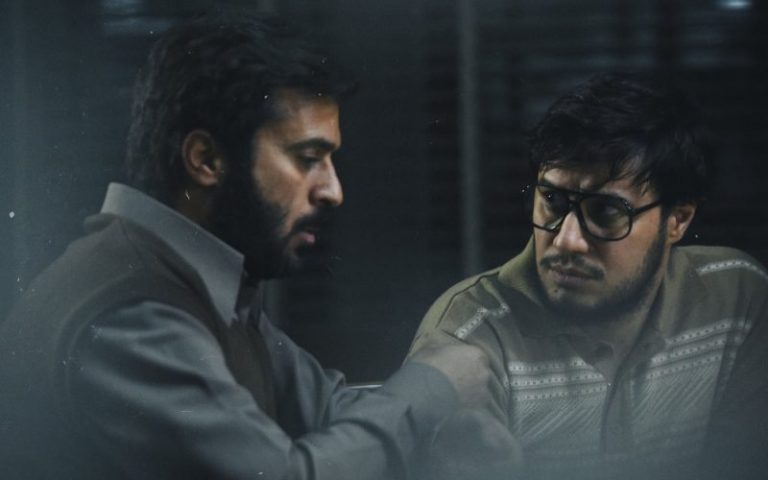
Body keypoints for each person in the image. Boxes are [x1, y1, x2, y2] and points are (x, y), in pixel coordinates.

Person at [0, 13, 508, 479]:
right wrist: (433, 386)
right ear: (206, 160)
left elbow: (327, 413)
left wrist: (439, 434)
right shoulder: (135, 315)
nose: (333, 190)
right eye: (307, 158)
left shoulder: (200, 285)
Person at [410, 72, 768, 479]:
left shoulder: (737, 299)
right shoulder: (471, 335)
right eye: (552, 200)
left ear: (678, 220)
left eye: (606, 211)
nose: (567, 240)